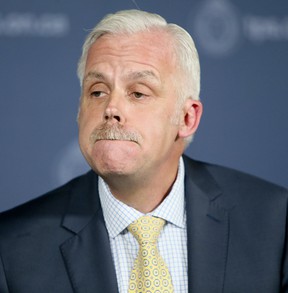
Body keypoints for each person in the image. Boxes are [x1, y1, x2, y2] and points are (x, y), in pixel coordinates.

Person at [0, 9, 287, 293]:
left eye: (138, 93)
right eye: (97, 91)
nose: (111, 109)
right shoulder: (11, 247)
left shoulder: (275, 223)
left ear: (188, 118)